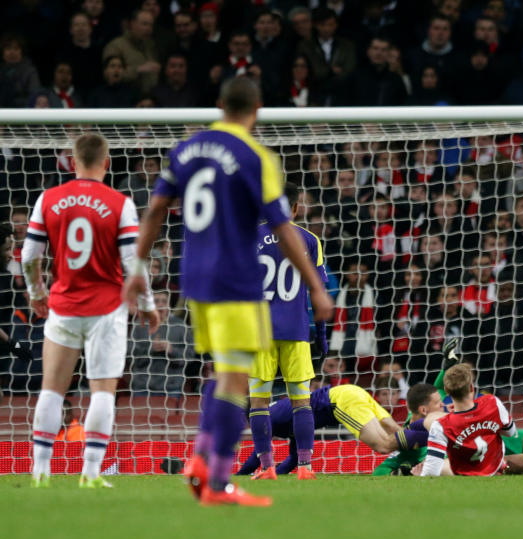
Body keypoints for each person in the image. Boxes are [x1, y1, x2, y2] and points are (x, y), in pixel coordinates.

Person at [123, 77, 334, 507]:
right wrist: (315, 285)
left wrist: (137, 269)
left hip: (195, 279)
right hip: (235, 279)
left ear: (220, 105)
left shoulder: (186, 149)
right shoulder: (256, 156)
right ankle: (215, 482)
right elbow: (282, 228)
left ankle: (200, 464)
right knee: (235, 380)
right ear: (257, 108)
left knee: (226, 376)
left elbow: (157, 209)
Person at [25, 133, 159, 489]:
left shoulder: (48, 199)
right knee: (102, 391)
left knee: (52, 390)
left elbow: (28, 256)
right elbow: (134, 260)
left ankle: (40, 472)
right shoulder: (120, 203)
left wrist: (37, 293)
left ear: (72, 160)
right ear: (107, 162)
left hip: (64, 305)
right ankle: (91, 473)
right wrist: (147, 305)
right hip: (107, 310)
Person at [246, 184, 327, 481]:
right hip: (296, 330)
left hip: (259, 332)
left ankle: (267, 467)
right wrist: (322, 336)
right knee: (301, 400)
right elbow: (318, 291)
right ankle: (304, 467)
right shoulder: (309, 240)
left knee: (258, 401)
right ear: (295, 208)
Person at [236, 377, 428, 476]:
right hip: (351, 392)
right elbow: (295, 457)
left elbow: (258, 456)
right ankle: (434, 437)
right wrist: (276, 475)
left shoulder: (266, 418)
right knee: (397, 433)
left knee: (383, 445)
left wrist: (239, 475)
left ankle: (436, 432)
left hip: (339, 401)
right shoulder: (283, 415)